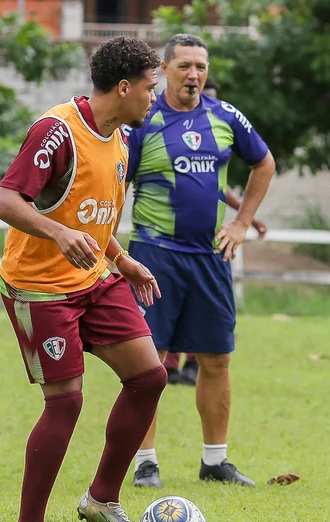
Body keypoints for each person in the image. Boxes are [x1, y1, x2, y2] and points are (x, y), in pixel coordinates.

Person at [0, 36, 167, 522]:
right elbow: (5, 200)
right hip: (40, 288)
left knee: (149, 377)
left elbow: (91, 215)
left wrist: (123, 260)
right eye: (150, 88)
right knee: (66, 402)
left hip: (94, 278)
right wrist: (56, 234)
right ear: (123, 86)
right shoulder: (57, 130)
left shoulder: (120, 137)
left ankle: (102, 499)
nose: (153, 98)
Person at [125, 33, 275, 489]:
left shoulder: (225, 116)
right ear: (164, 70)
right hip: (155, 255)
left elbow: (264, 164)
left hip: (211, 258)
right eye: (185, 65)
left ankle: (215, 461)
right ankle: (145, 461)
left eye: (201, 67)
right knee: (149, 362)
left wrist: (241, 223)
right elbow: (116, 184)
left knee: (216, 359)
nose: (194, 74)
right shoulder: (143, 121)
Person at [158, 79, 269, 390]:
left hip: (209, 244)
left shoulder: (219, 124)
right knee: (169, 305)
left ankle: (193, 364)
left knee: (205, 309)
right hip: (166, 242)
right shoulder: (162, 126)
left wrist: (246, 219)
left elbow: (218, 187)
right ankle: (168, 364)